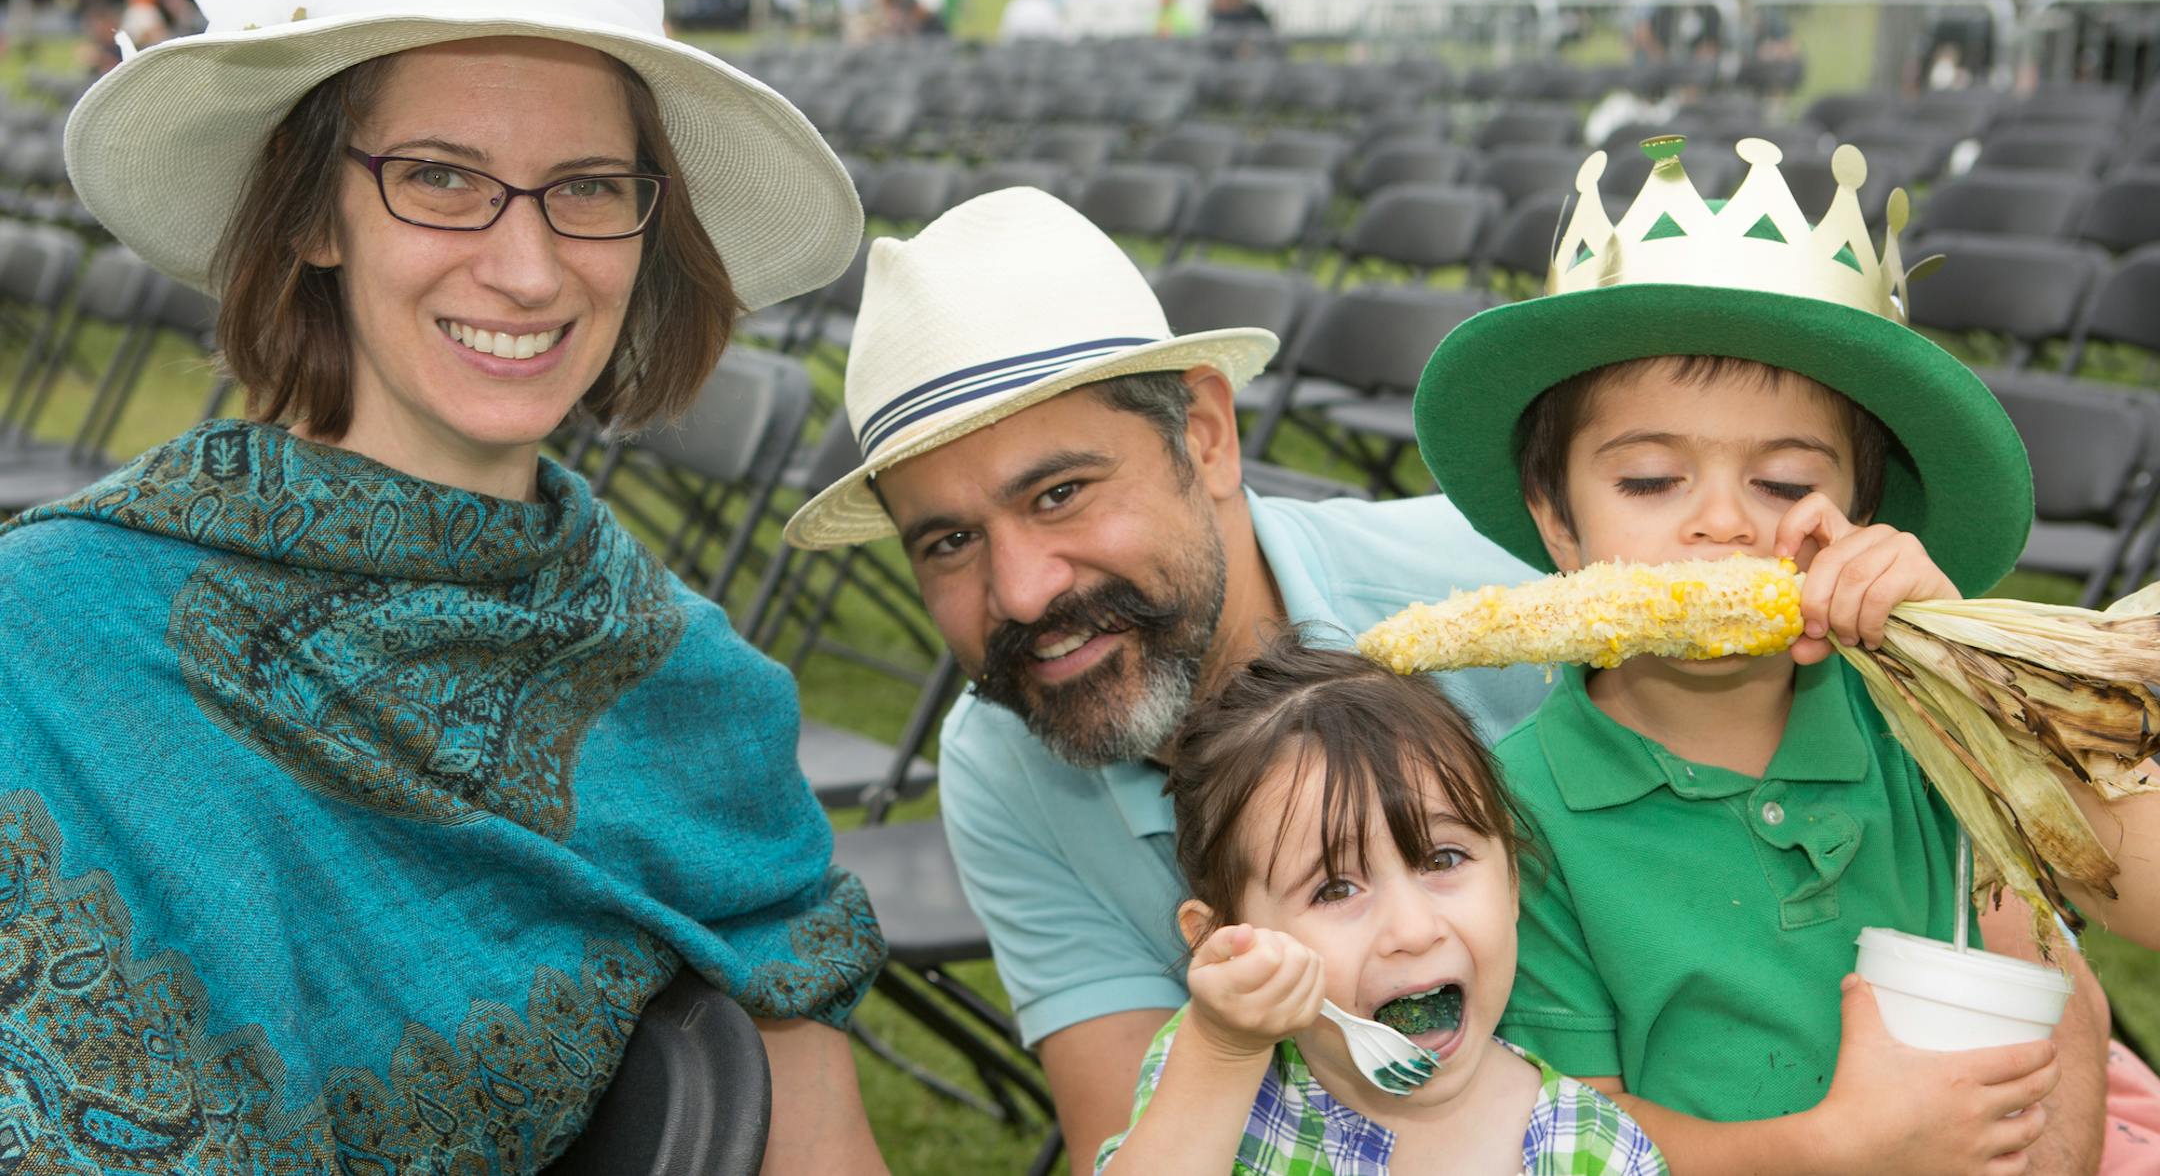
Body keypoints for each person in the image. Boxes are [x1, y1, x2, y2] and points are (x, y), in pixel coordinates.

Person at [0, 0, 888, 1171]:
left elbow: (821, 1140)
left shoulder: (700, 697)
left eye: (587, 186)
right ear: (314, 213)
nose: (528, 269)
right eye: (440, 178)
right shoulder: (46, 635)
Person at [1410, 135, 2160, 1173]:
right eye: (1650, 480)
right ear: (1557, 522)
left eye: (1783, 484)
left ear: (1860, 514)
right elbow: (1566, 1131)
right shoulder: (1510, 814)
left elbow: (2137, 895)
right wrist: (1837, 1147)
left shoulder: (1913, 729)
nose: (1723, 523)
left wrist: (1967, 679)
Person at [781, 186, 1554, 1164]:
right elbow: (1138, 1136)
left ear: (1206, 435)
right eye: (949, 541)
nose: (1020, 591)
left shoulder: (1508, 589)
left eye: (1060, 492)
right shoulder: (1004, 759)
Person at [1096, 636, 1667, 1174]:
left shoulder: (1592, 1147)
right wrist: (1223, 1050)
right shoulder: (1212, 1070)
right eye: (1334, 889)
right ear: (1221, 940)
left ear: (1512, 882)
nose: (1413, 931)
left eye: (1442, 859)